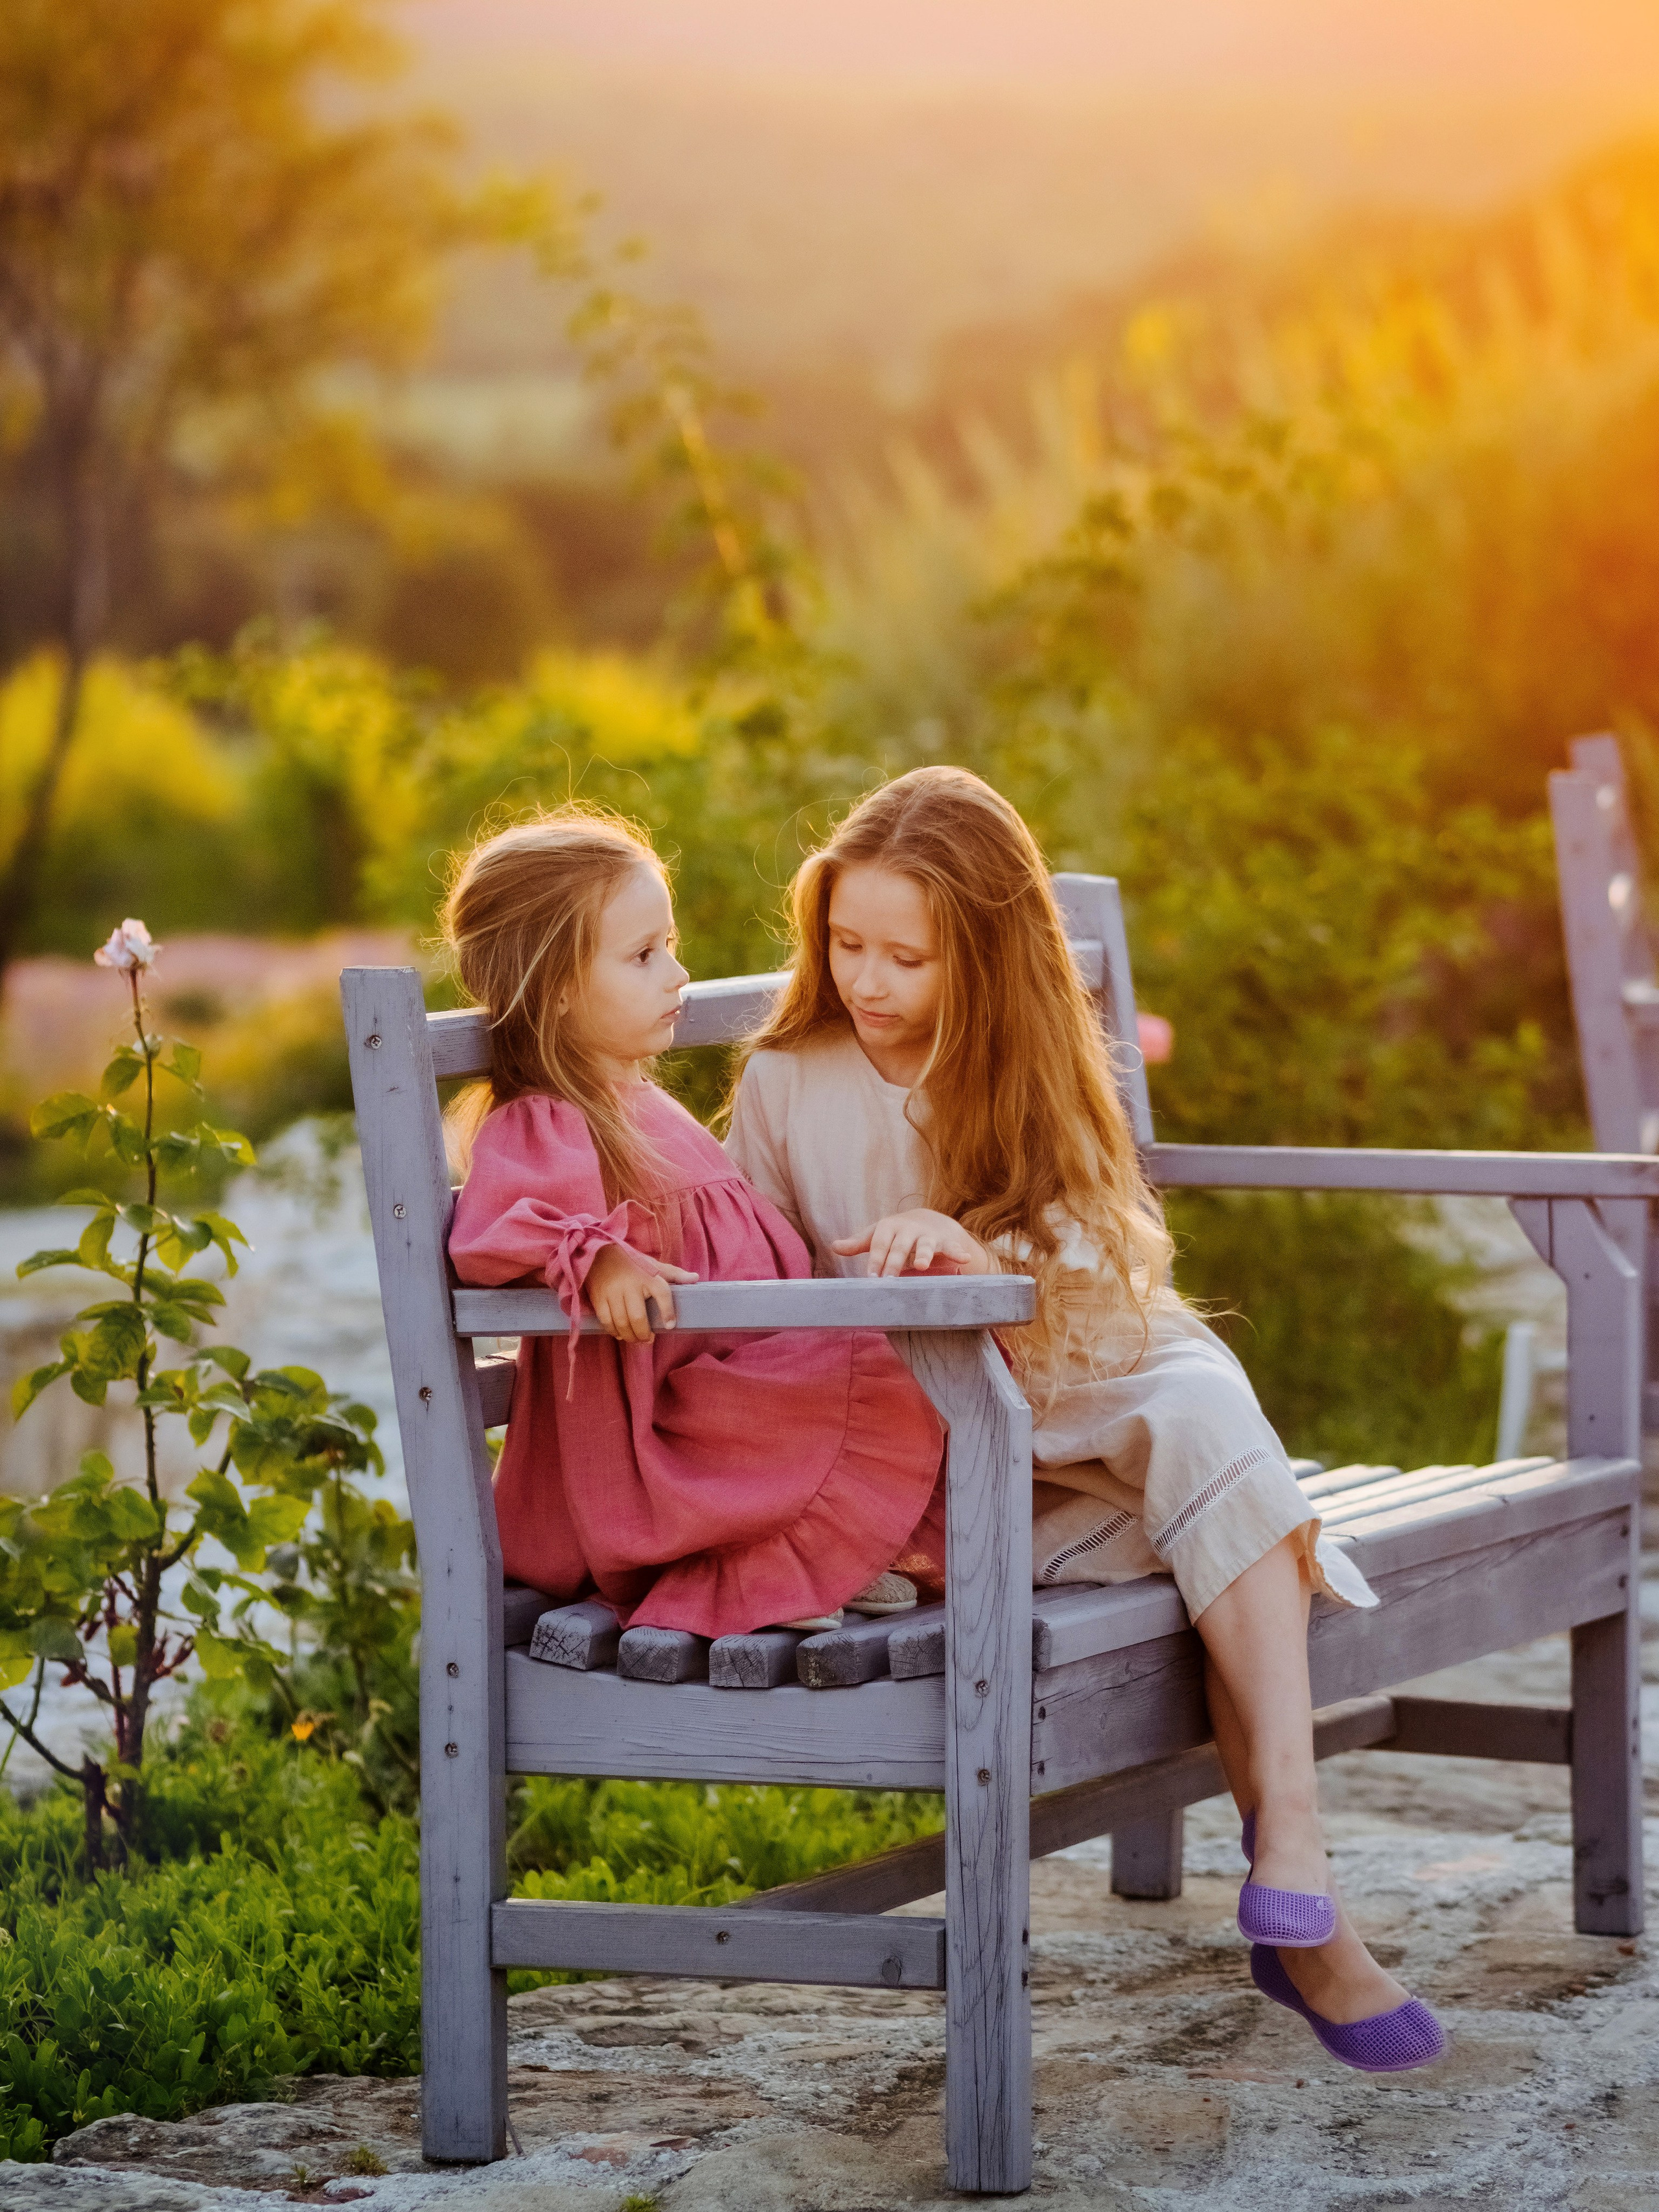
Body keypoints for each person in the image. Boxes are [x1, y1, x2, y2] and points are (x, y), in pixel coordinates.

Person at [724, 765, 1444, 2071]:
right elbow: (754, 1290)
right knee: (1225, 1509)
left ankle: (1289, 1848)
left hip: (1068, 1364)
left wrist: (972, 1238)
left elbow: (1099, 1255)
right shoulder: (785, 1074)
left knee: (1196, 1404)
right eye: (845, 943)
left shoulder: (1018, 1052)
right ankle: (1306, 1928)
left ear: (983, 959)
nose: (870, 980)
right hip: (920, 1418)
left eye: (905, 955)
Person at [445, 806, 942, 1640]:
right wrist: (600, 1264)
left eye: (668, 945)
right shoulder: (549, 1119)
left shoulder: (639, 1102)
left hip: (728, 1383)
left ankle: (812, 1550)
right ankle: (775, 1567)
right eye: (644, 955)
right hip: (669, 1426)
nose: (678, 974)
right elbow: (495, 1232)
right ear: (559, 986)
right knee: (882, 1360)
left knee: (918, 1344)